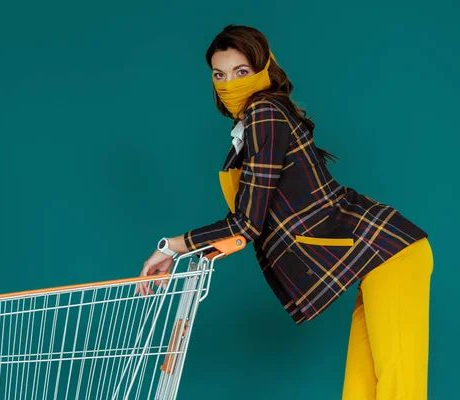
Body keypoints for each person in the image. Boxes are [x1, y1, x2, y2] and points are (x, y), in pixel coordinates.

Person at [135, 24, 433, 399]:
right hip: (375, 258)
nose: (229, 83)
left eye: (241, 72)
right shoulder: (252, 127)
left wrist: (171, 246)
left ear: (263, 70)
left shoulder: (264, 114)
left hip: (391, 253)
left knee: (398, 387)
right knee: (363, 388)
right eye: (219, 74)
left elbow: (247, 222)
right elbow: (250, 224)